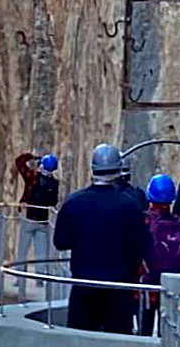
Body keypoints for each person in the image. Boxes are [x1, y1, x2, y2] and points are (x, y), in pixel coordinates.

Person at [53, 143, 151, 334]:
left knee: (81, 340)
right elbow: (143, 247)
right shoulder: (129, 205)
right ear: (118, 171)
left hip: (83, 287)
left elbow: (61, 242)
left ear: (93, 170)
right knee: (116, 342)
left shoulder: (73, 202)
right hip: (118, 289)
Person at [139, 174, 180, 335]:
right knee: (169, 333)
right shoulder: (179, 223)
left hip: (150, 286)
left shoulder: (146, 221)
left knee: (145, 331)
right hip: (174, 287)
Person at [14, 151, 60, 261]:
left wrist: (31, 157)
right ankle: (40, 277)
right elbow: (53, 202)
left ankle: (20, 277)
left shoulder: (32, 177)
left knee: (22, 253)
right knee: (41, 256)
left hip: (29, 218)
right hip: (43, 221)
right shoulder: (54, 183)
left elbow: (19, 162)